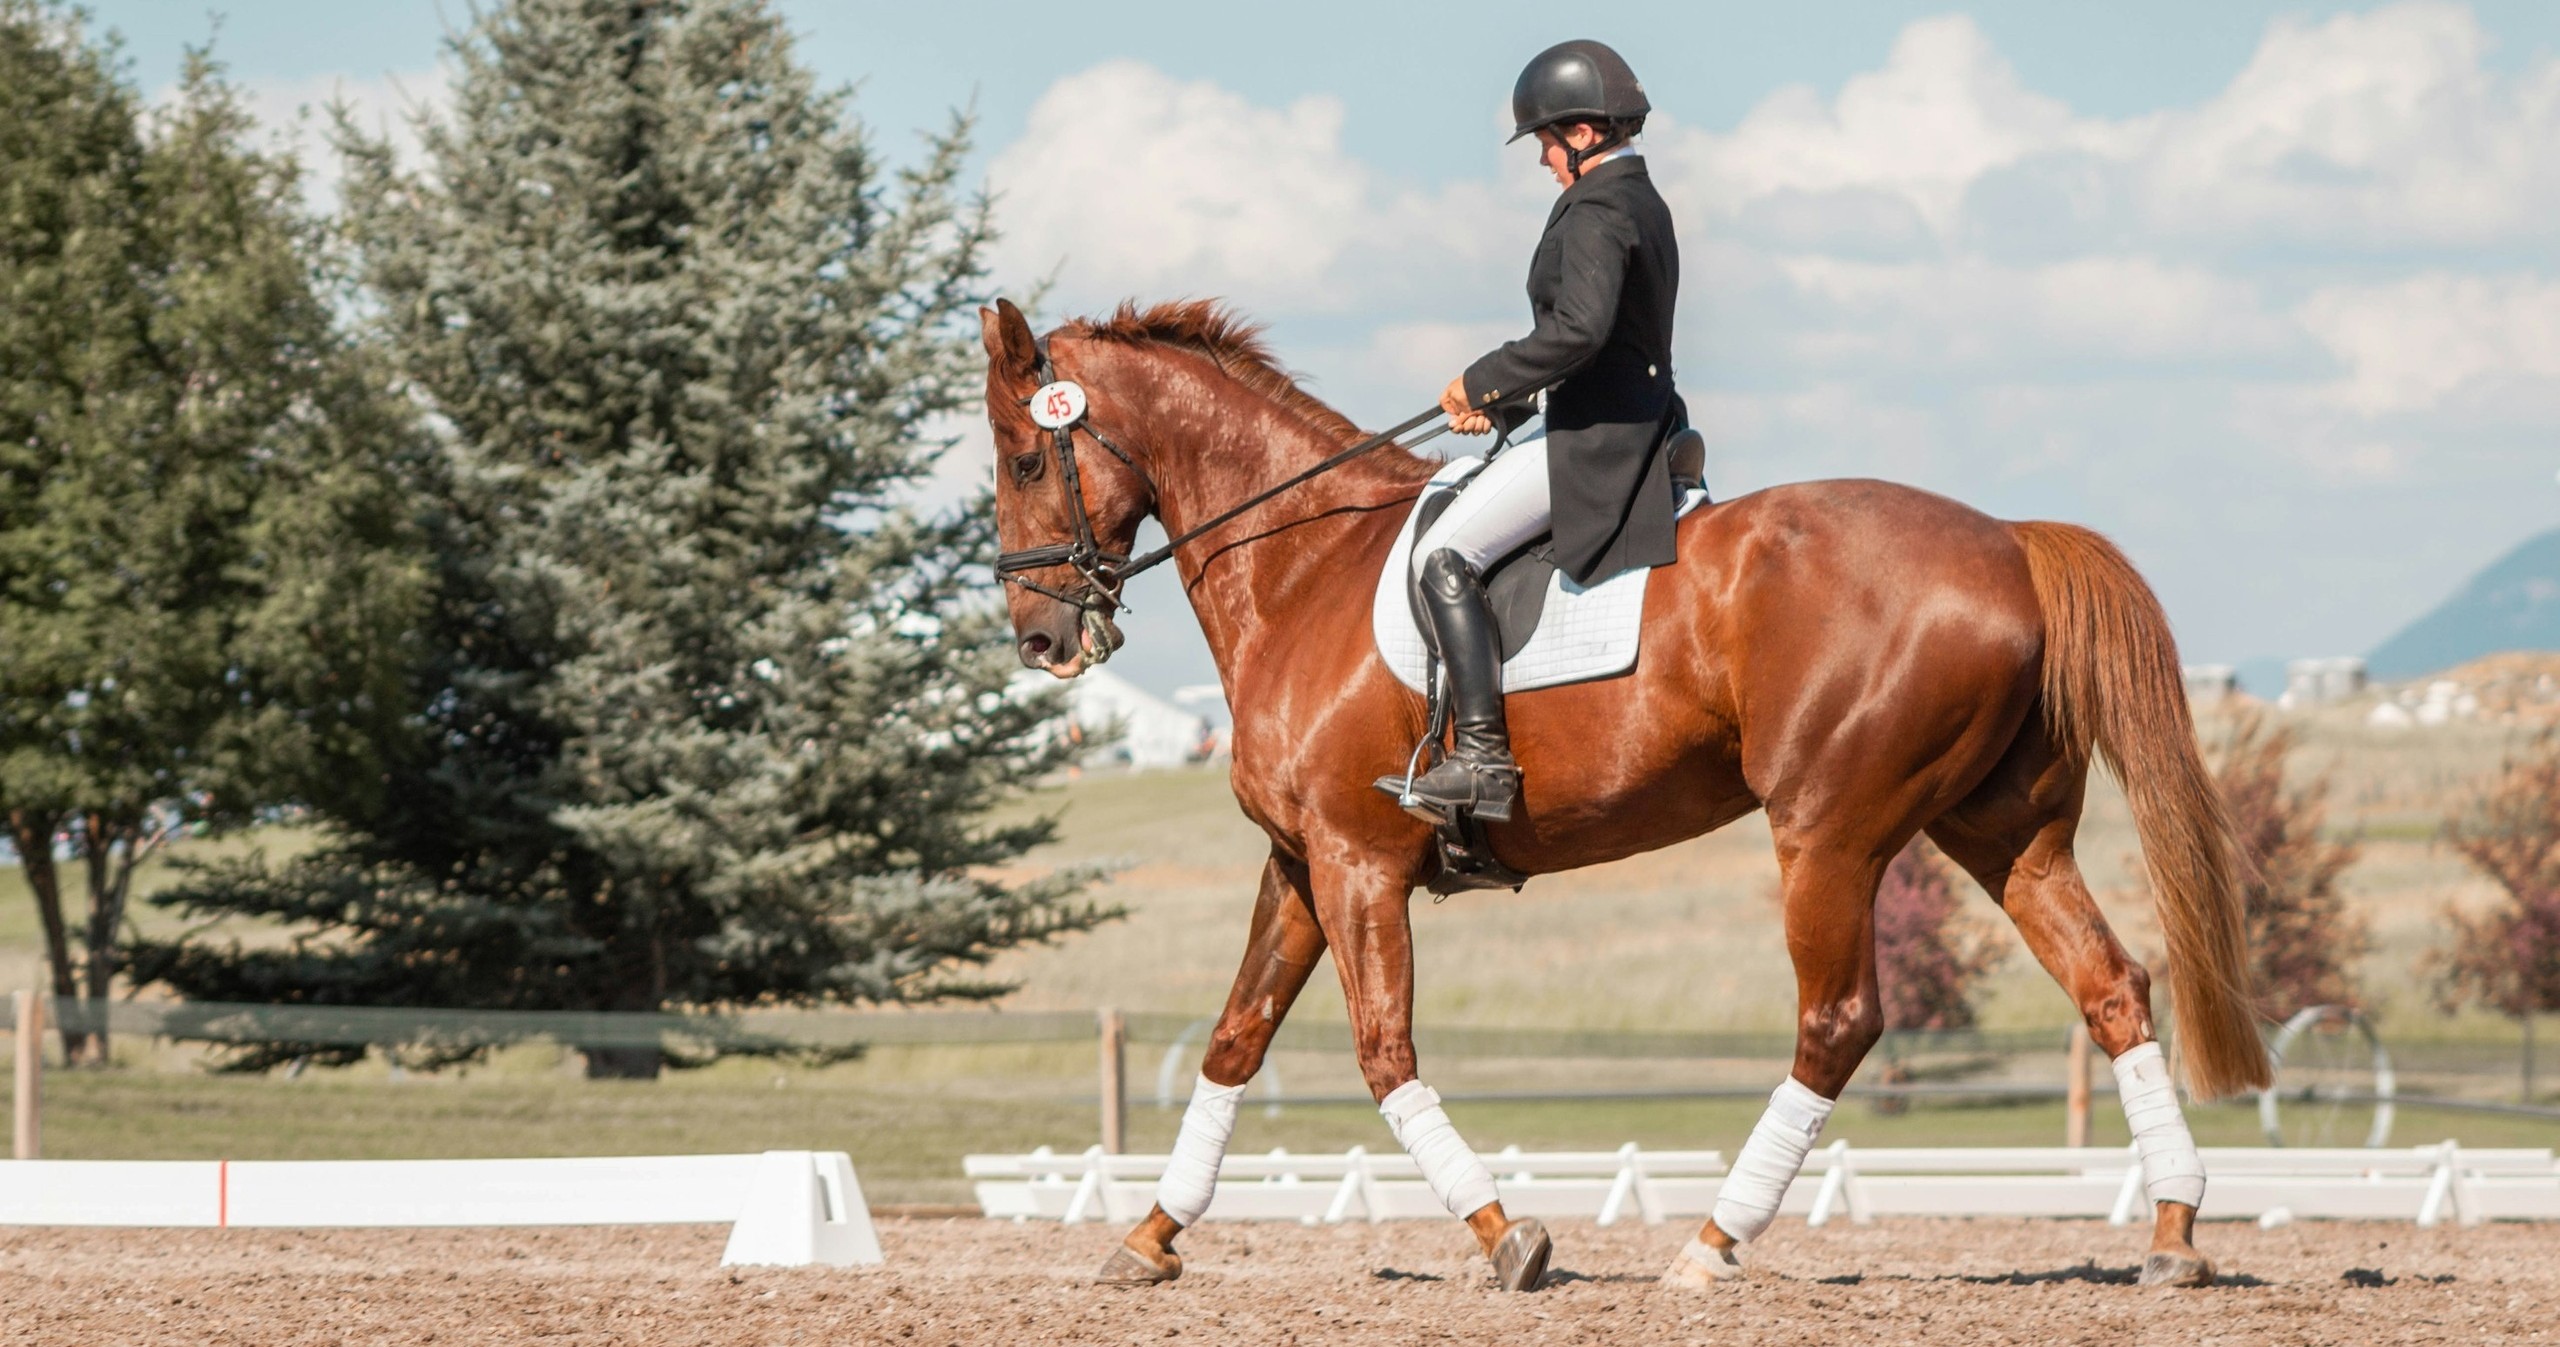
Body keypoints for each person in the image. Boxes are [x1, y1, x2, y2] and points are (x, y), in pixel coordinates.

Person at [1386, 38, 1686, 825]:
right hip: (1626, 416)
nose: (1543, 159)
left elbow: (1580, 332)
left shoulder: (1595, 209)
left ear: (1583, 134)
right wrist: (1510, 406)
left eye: (1548, 141)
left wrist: (1480, 378)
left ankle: (1481, 755)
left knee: (1441, 552)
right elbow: (1610, 342)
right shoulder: (1640, 200)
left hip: (1597, 441)